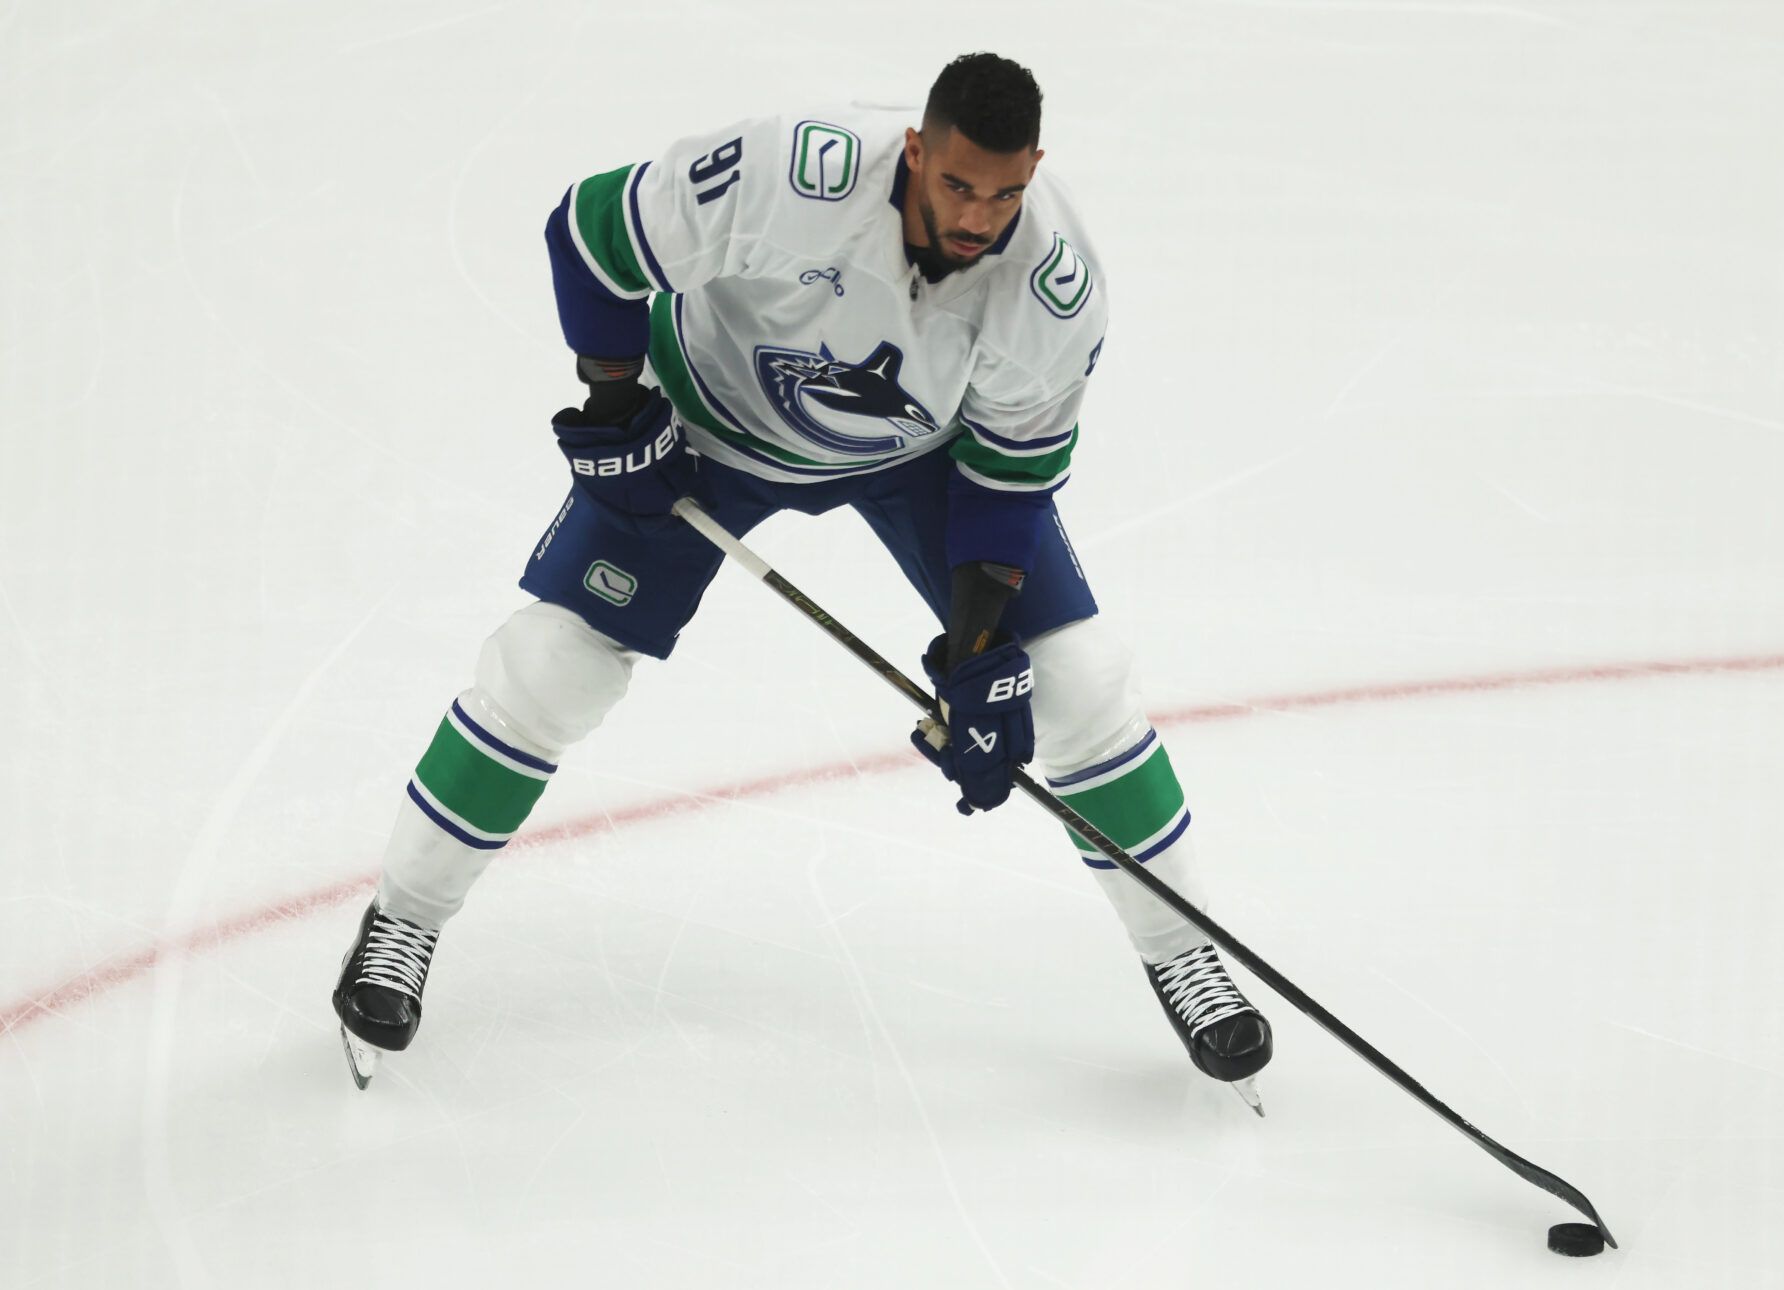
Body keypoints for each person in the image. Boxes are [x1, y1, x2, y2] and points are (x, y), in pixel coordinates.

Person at [331, 52, 1273, 1108]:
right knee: (556, 665)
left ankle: (1184, 951)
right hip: (707, 426)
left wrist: (975, 655)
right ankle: (404, 917)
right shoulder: (796, 175)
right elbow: (591, 232)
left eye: (1005, 193)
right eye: (957, 184)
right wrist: (612, 407)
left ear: (1036, 171)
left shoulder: (1056, 287)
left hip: (918, 456)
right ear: (915, 151)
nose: (979, 216)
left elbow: (1007, 487)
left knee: (1079, 679)